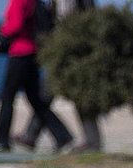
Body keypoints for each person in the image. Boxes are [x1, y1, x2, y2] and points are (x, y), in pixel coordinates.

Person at [13, 0, 101, 152]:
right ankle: (34, 135)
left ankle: (90, 141)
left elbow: (79, 18)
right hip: (62, 48)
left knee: (77, 94)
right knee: (47, 93)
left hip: (74, 49)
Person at [0, 0, 73, 154]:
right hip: (33, 52)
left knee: (7, 97)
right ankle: (63, 137)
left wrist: (2, 36)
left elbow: (15, 24)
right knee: (36, 99)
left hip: (20, 53)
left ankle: (0, 140)